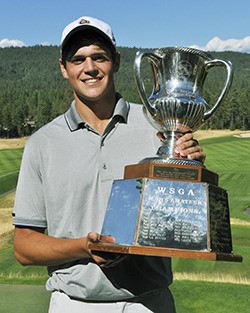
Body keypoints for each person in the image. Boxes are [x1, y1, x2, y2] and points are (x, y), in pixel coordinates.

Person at [13, 16, 206, 313]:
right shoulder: (42, 143)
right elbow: (24, 246)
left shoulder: (158, 125)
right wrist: (84, 248)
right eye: (78, 59)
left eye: (99, 57)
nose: (89, 68)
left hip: (149, 303)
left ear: (116, 61)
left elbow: (185, 223)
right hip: (73, 304)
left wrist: (192, 171)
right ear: (64, 68)